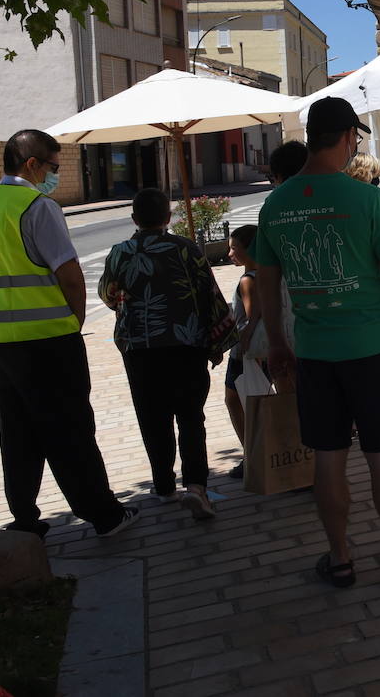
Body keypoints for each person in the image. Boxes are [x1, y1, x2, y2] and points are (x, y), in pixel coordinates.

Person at [256, 96, 380, 589]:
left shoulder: (276, 204)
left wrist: (276, 342)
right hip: (373, 347)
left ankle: (340, 558)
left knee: (329, 457)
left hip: (314, 351)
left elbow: (268, 285)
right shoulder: (368, 199)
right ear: (347, 138)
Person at [0, 129, 138, 539]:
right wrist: (73, 323)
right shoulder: (37, 206)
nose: (55, 174)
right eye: (54, 166)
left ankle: (24, 519)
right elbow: (70, 276)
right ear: (32, 164)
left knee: (17, 430)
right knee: (69, 428)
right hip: (46, 339)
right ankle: (103, 515)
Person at [99, 189, 232, 519]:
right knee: (190, 416)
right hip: (186, 344)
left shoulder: (120, 253)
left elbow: (107, 294)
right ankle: (197, 487)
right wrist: (216, 341)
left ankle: (163, 487)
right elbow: (209, 294)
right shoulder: (185, 249)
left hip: (139, 348)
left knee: (152, 417)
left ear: (134, 220)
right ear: (168, 218)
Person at [223, 224, 260, 479]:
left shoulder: (248, 280)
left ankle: (253, 456)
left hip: (245, 353)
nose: (229, 254)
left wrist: (243, 345)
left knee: (234, 400)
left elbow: (252, 317)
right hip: (261, 351)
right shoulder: (267, 273)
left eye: (234, 248)